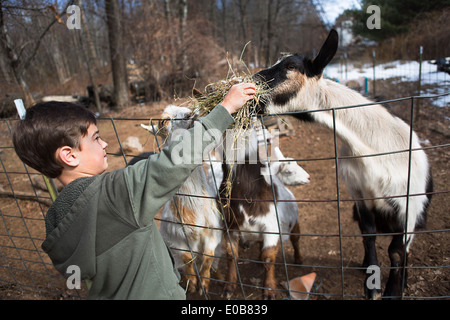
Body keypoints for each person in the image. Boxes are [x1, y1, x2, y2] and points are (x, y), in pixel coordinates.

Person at [12, 83, 256, 300]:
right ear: (69, 155)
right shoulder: (115, 194)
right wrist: (224, 109)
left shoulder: (56, 218)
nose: (105, 143)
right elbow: (174, 163)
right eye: (96, 138)